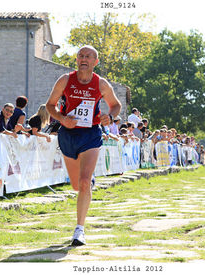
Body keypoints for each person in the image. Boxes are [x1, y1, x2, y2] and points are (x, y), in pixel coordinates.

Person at [46, 45, 121, 246]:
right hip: (68, 133)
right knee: (76, 184)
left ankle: (79, 230)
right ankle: (88, 180)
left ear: (95, 62)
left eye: (88, 56)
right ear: (77, 60)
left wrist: (110, 118)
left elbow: (116, 105)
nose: (83, 59)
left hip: (91, 133)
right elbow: (49, 105)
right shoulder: (65, 80)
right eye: (80, 56)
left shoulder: (101, 84)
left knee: (85, 182)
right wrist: (62, 119)